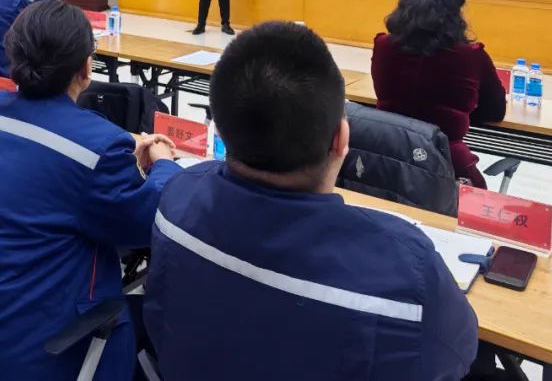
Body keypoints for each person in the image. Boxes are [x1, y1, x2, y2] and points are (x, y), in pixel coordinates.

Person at [144, 21, 478, 380]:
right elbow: (457, 354)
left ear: (220, 130)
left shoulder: (178, 198)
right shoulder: (408, 269)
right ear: (342, 139)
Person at [0, 1, 180, 380]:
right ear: (86, 67)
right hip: (21, 353)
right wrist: (163, 164)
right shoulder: (98, 147)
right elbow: (144, 222)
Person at [371, 0, 506, 188]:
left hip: (385, 162)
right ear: (455, 13)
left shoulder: (383, 46)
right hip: (446, 168)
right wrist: (458, 113)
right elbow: (495, 110)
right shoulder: (470, 55)